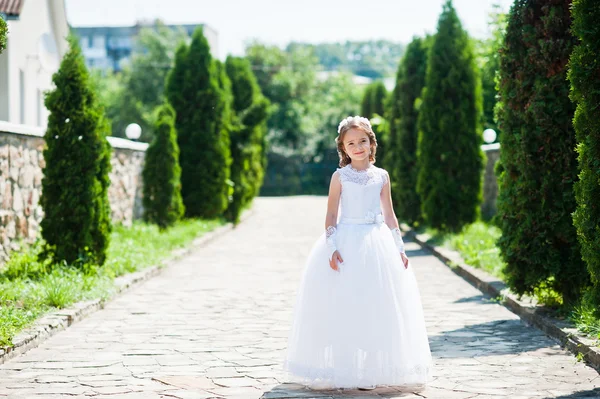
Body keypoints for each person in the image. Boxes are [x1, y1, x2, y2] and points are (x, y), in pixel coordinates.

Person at [283, 115, 433, 391]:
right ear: (343, 148)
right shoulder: (340, 177)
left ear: (371, 143)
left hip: (378, 244)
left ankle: (375, 366)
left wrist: (399, 248)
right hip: (348, 242)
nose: (358, 147)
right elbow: (330, 214)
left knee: (378, 304)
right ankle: (345, 367)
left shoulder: (382, 176)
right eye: (351, 143)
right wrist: (332, 246)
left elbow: (390, 215)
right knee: (346, 304)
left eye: (362, 141)